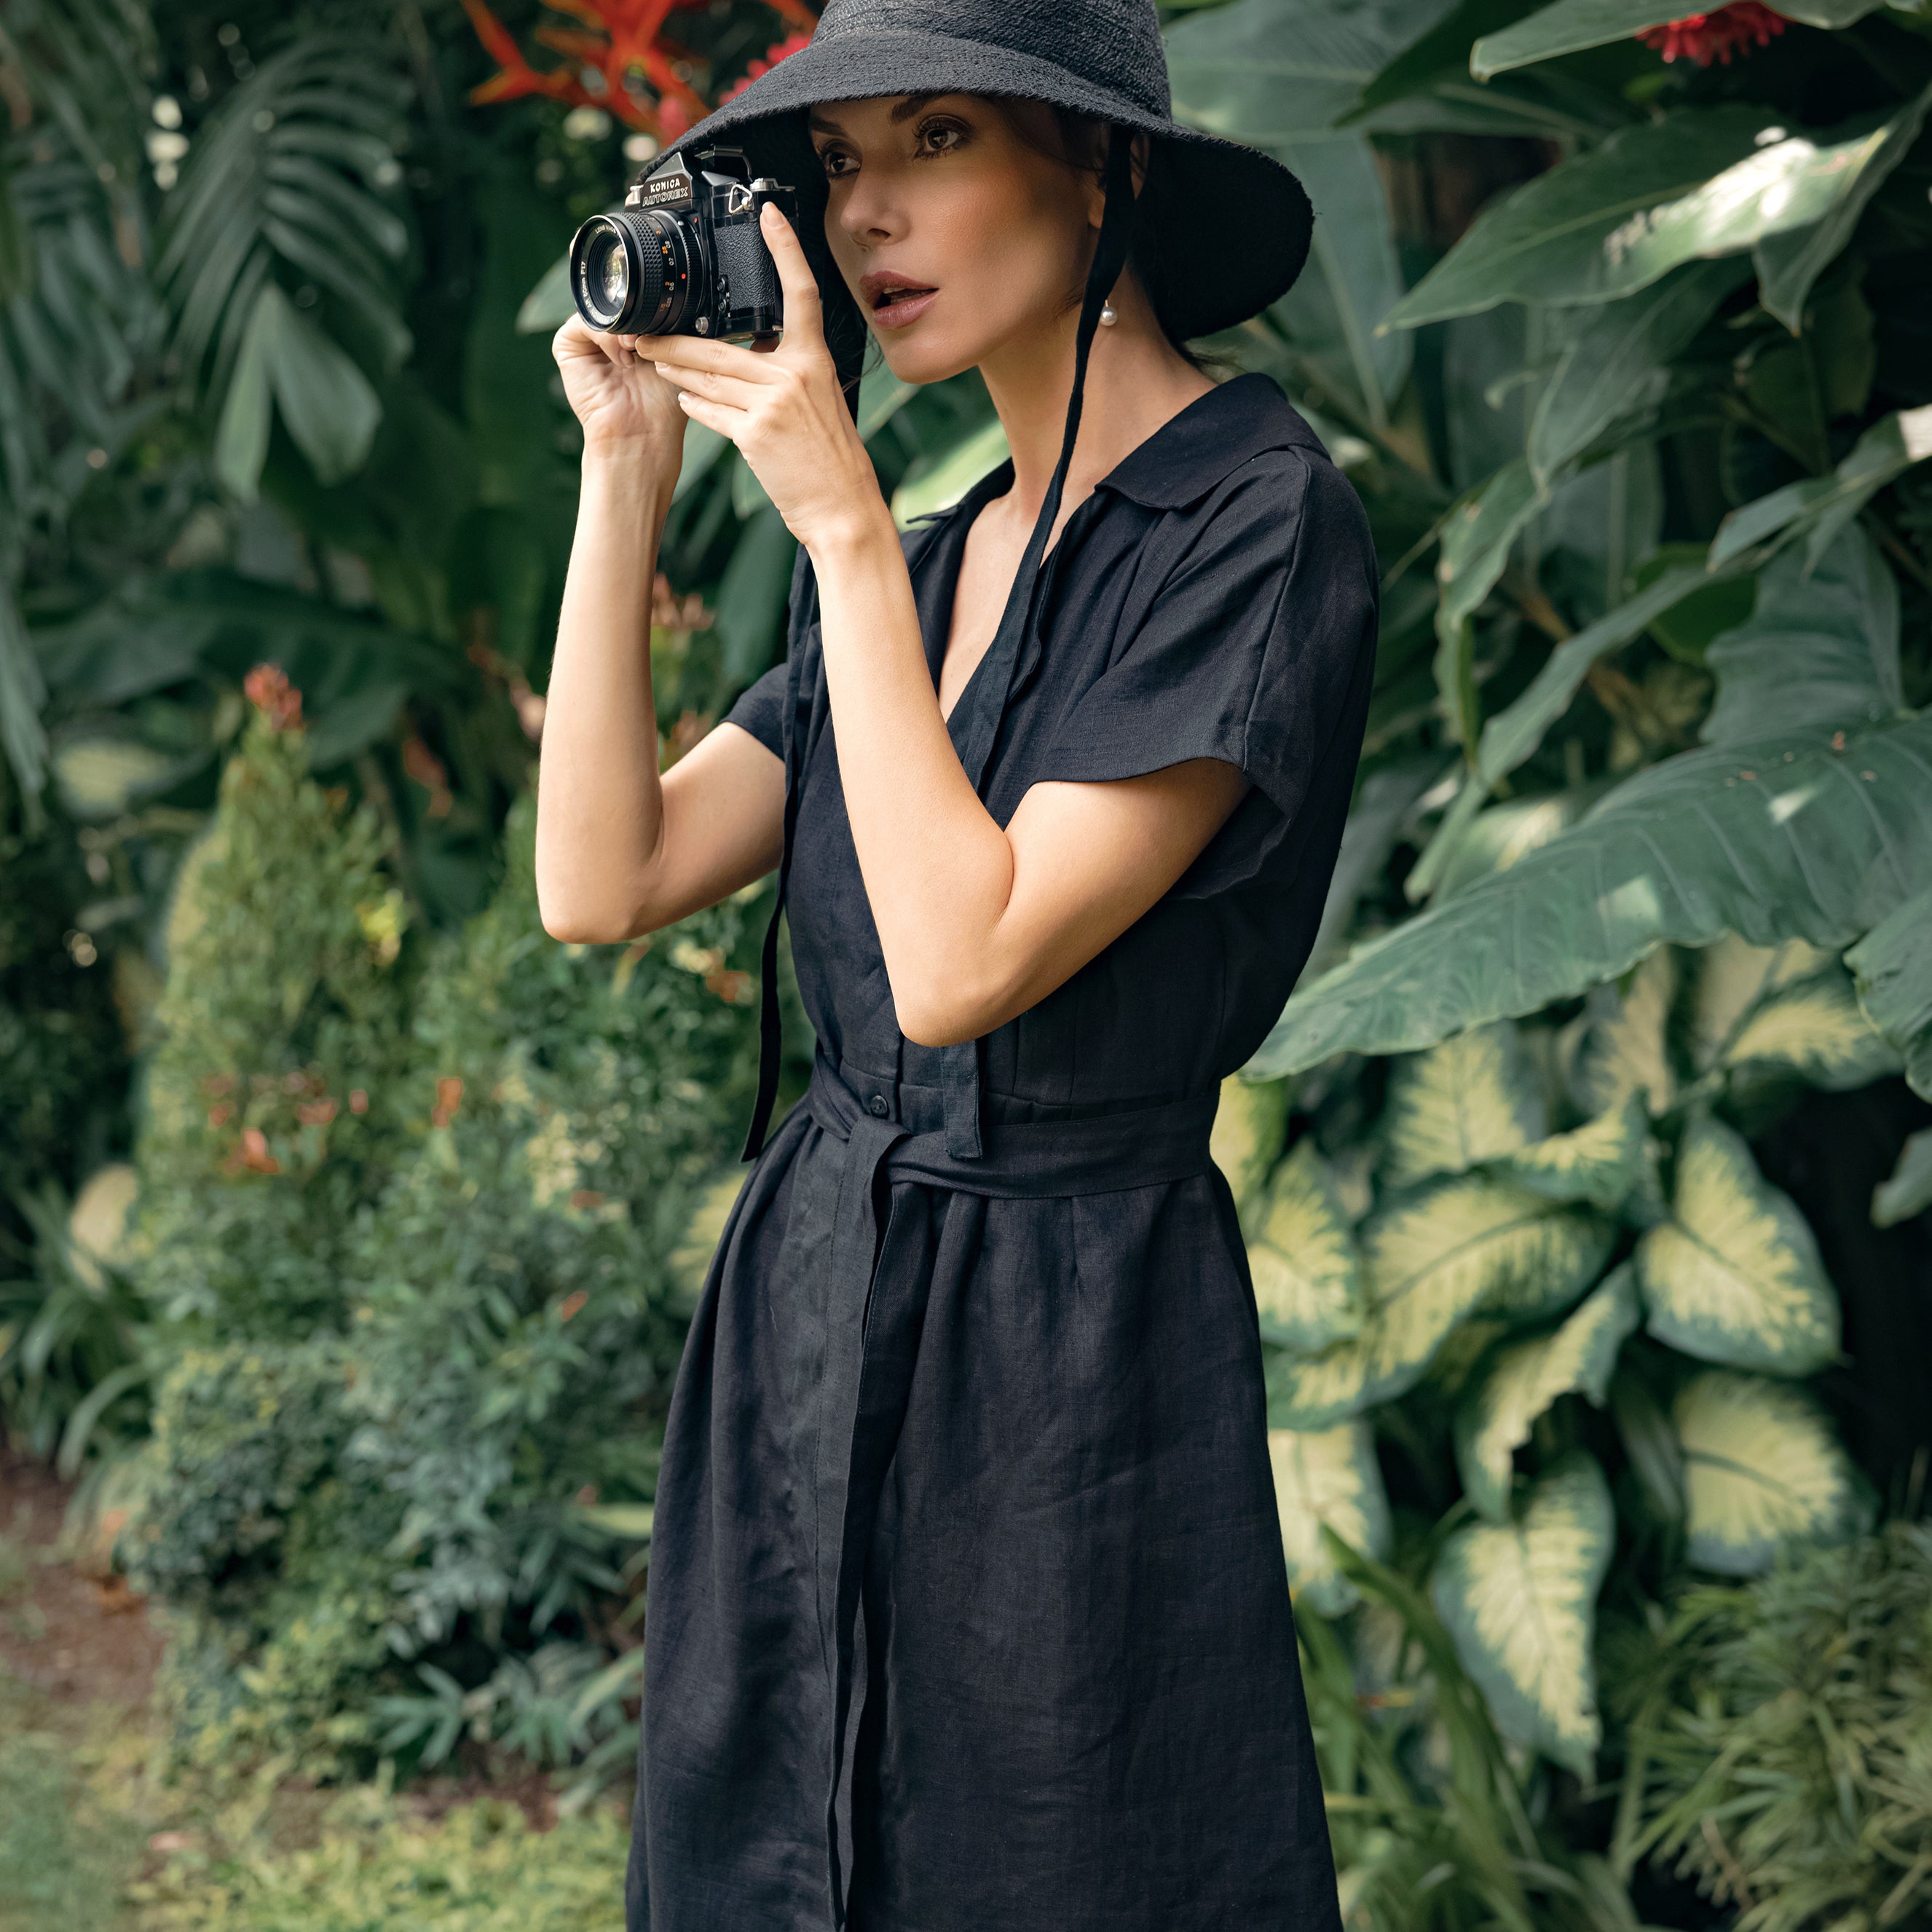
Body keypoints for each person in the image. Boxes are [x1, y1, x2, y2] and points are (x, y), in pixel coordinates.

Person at [533, 3, 1379, 1927]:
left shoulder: (1253, 522)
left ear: (1105, 171)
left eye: (933, 142)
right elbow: (604, 876)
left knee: (1065, 1858)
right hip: (813, 1301)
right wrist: (626, 473)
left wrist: (836, 533)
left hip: (1071, 1346)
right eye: (838, 172)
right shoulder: (930, 562)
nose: (867, 223)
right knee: (774, 1857)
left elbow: (961, 961)